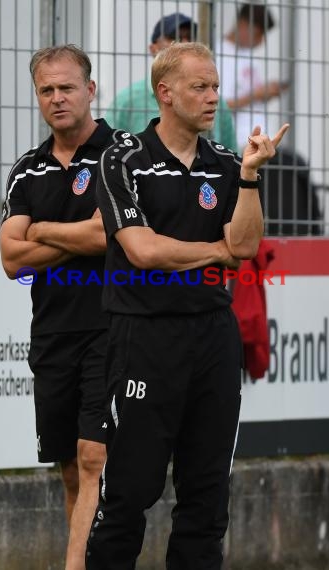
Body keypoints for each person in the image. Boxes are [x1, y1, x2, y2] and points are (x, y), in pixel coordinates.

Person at [85, 42, 289, 569]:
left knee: (206, 495)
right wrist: (216, 251)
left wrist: (248, 176)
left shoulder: (225, 163)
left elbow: (243, 247)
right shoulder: (123, 157)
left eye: (216, 86)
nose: (213, 97)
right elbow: (143, 250)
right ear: (166, 93)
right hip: (144, 338)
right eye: (201, 87)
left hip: (213, 338)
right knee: (130, 491)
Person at [0, 45, 124, 570]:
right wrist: (80, 236)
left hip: (112, 324)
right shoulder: (27, 169)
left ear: (90, 90)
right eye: (46, 90)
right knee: (71, 468)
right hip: (51, 333)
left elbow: (109, 235)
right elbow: (11, 258)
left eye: (67, 87)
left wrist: (44, 231)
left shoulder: (122, 153)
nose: (57, 98)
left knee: (95, 457)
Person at [106, 12, 238, 151]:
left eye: (191, 38)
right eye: (175, 38)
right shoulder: (127, 101)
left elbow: (231, 156)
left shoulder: (218, 103)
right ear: (153, 49)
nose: (185, 43)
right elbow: (109, 152)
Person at [217, 2, 288, 151]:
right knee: (294, 165)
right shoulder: (220, 55)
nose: (261, 41)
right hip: (238, 143)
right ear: (243, 25)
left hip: (259, 140)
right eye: (258, 34)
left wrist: (266, 93)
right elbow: (220, 106)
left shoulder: (247, 54)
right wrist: (257, 94)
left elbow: (250, 94)